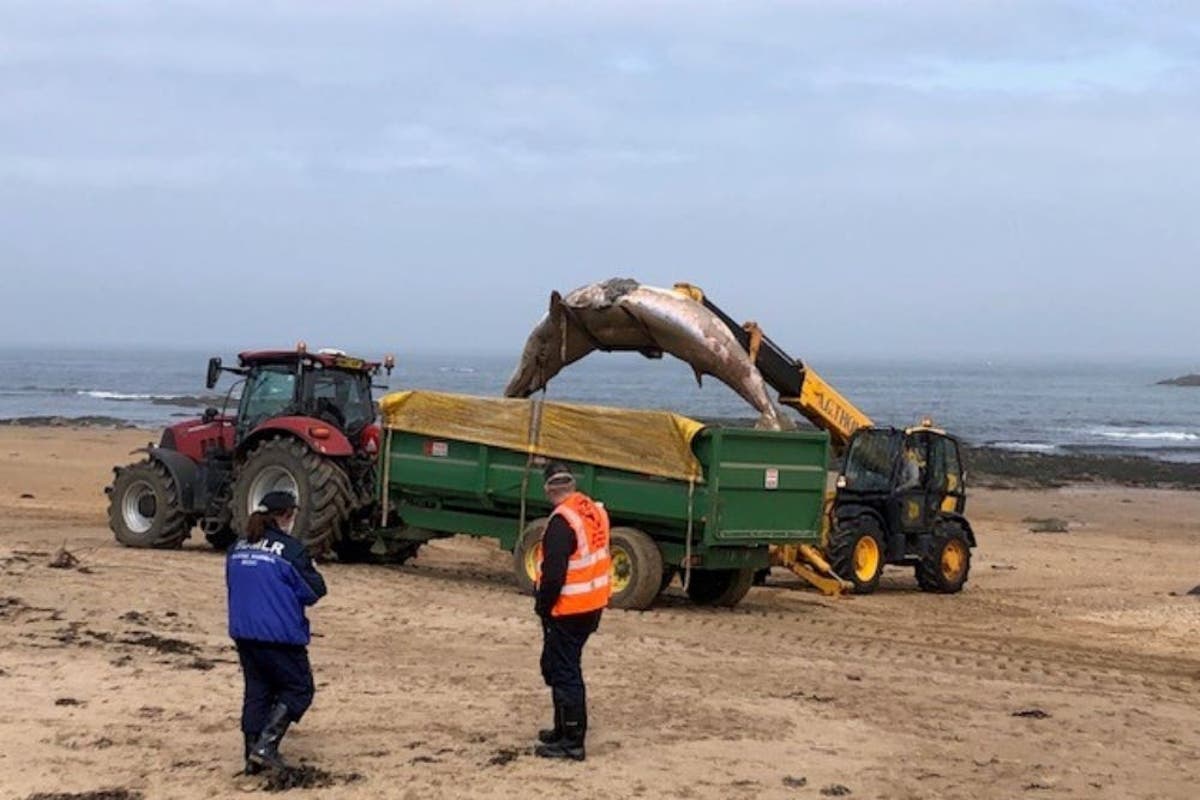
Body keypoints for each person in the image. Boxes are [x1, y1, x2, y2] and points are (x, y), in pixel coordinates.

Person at [226, 490, 327, 775]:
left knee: (258, 691)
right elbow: (314, 591)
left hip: (244, 632)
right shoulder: (290, 550)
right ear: (286, 516)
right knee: (299, 689)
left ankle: (251, 754)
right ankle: (266, 746)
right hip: (279, 634)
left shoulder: (237, 548)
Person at [533, 462, 611, 761]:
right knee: (559, 665)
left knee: (564, 671)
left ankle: (572, 741)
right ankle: (561, 730)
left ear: (547, 489)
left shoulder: (561, 522)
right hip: (591, 605)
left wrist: (543, 606)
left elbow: (554, 573)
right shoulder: (592, 510)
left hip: (569, 609)